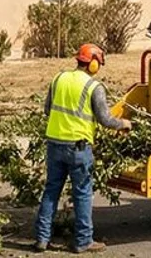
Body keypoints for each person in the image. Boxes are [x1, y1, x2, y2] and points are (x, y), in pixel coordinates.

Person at [33, 43, 131, 253]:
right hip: (78, 148)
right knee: (83, 194)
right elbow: (105, 120)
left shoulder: (58, 79)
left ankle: (42, 238)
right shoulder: (93, 87)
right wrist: (124, 124)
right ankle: (83, 241)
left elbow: (47, 110)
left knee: (51, 191)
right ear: (93, 64)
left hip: (54, 144)